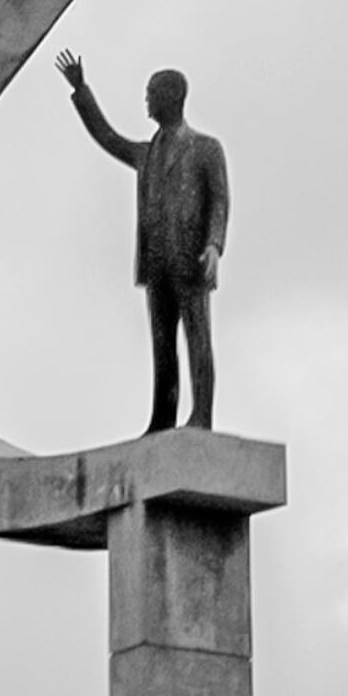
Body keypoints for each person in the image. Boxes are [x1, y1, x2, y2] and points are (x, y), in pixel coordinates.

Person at [55, 48, 229, 432]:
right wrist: (81, 90)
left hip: (191, 259)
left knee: (197, 338)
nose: (146, 99)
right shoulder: (145, 154)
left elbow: (219, 200)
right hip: (157, 262)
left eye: (151, 93)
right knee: (162, 345)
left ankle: (201, 416)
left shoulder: (206, 149)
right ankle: (162, 420)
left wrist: (214, 246)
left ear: (172, 97)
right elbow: (107, 137)